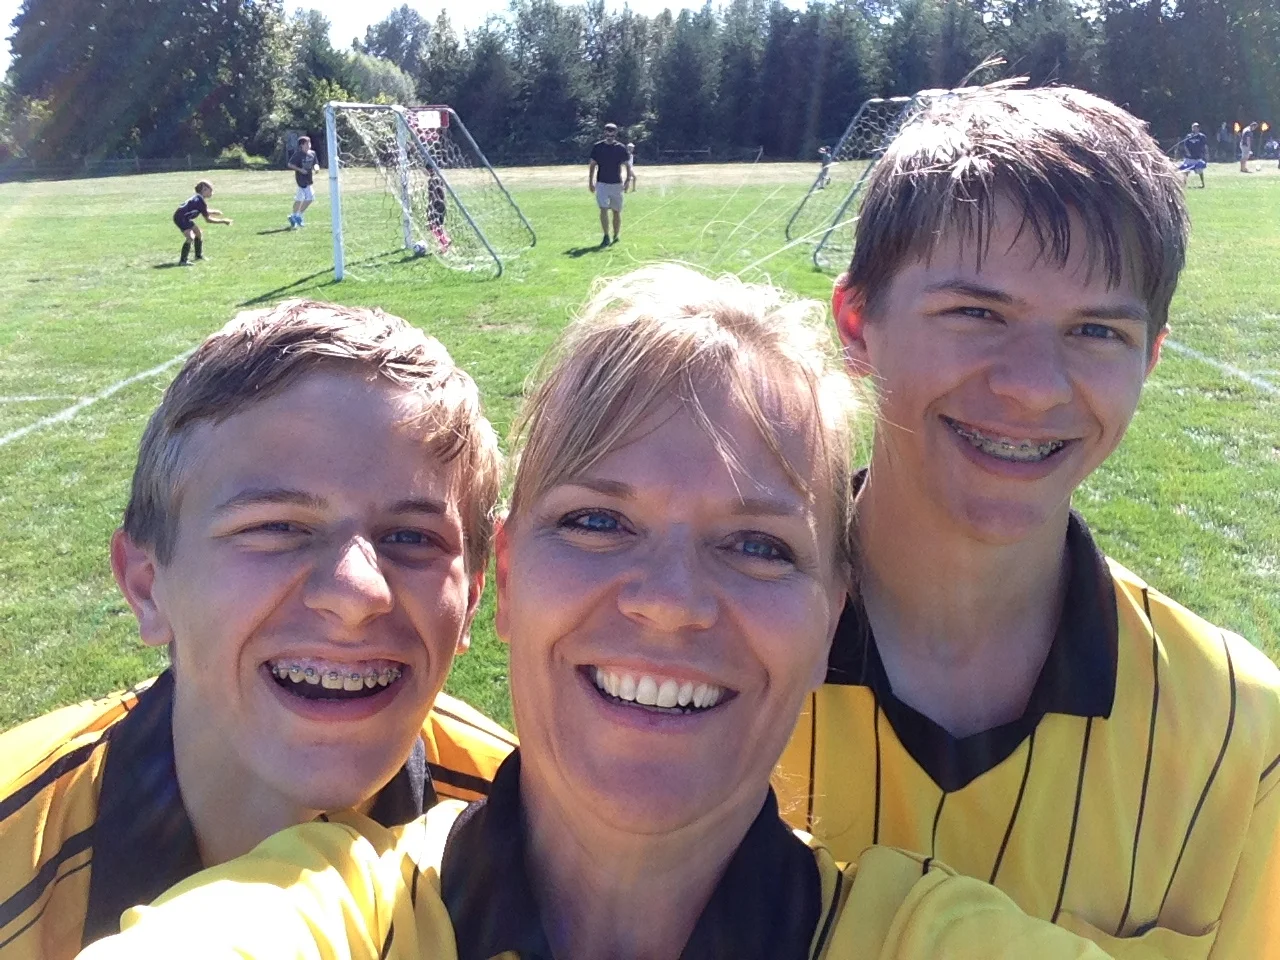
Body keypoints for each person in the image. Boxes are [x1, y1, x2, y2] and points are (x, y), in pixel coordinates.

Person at [79, 266, 1109, 960]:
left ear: (831, 615)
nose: (669, 602)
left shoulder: (925, 937)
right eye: (598, 522)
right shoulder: (323, 912)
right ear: (506, 575)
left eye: (757, 545)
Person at [776, 84, 1280, 958]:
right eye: (977, 313)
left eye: (1096, 332)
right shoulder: (702, 660)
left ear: (1149, 358)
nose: (1034, 386)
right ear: (857, 324)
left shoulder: (1240, 731)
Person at [0, 300, 514, 959]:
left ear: (471, 601)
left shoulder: (525, 836)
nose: (357, 594)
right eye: (277, 527)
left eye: (412, 537)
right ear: (147, 586)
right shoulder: (17, 836)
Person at [587, 122, 629, 246]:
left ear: (615, 133)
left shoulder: (621, 148)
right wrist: (590, 182)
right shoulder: (598, 147)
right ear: (604, 132)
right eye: (608, 132)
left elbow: (627, 165)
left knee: (616, 211)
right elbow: (592, 165)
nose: (610, 135)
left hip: (616, 183)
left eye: (612, 132)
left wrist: (627, 181)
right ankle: (606, 236)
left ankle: (616, 235)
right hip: (602, 183)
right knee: (603, 209)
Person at [171, 180, 230, 266]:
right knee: (190, 237)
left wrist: (214, 212)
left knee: (198, 233)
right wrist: (223, 221)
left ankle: (198, 256)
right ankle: (183, 261)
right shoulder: (200, 201)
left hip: (185, 217)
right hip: (181, 219)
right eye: (210, 190)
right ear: (204, 190)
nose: (212, 193)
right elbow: (208, 220)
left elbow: (202, 210)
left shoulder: (198, 198)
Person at [287, 135, 319, 228]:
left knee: (299, 199)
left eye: (309, 143)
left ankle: (293, 216)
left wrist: (316, 168)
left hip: (309, 178)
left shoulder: (312, 153)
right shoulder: (298, 154)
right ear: (301, 145)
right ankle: (298, 215)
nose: (309, 145)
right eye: (307, 144)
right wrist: (300, 170)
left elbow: (315, 163)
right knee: (310, 198)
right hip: (301, 179)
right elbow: (290, 164)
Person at [1177, 121, 1208, 187]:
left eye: (1195, 127)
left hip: (1197, 157)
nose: (1194, 129)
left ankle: (1202, 184)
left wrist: (1206, 154)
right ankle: (1184, 184)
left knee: (1200, 171)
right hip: (1189, 158)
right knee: (1185, 171)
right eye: (1193, 127)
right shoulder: (1189, 136)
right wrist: (1188, 152)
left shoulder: (1202, 136)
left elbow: (1204, 146)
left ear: (1198, 128)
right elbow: (1185, 145)